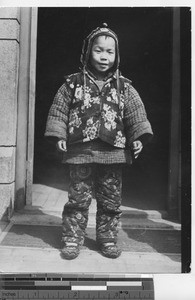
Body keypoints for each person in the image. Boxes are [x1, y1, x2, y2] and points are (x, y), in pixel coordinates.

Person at [45, 23, 153, 260]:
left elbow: (136, 115)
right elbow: (59, 112)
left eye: (109, 52)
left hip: (113, 153)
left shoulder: (124, 87)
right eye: (98, 50)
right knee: (78, 199)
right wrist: (59, 134)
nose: (104, 56)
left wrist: (138, 138)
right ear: (87, 52)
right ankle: (72, 239)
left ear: (117, 55)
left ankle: (107, 238)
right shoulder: (72, 84)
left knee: (110, 200)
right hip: (80, 151)